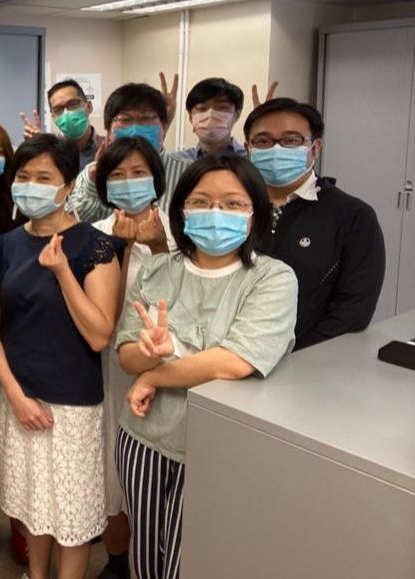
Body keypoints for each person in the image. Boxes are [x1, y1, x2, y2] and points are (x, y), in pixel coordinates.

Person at [115, 154, 298, 579]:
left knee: (192, 561)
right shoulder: (157, 269)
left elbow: (235, 360)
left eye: (233, 203)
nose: (216, 213)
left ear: (254, 214)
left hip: (218, 447)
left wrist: (155, 374)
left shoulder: (272, 279)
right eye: (201, 202)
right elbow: (126, 355)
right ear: (181, 210)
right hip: (143, 437)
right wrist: (148, 354)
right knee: (145, 555)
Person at [0, 133, 120, 579]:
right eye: (23, 177)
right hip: (18, 398)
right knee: (32, 505)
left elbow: (99, 335)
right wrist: (15, 395)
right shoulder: (4, 245)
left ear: (67, 186)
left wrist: (62, 273)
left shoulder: (94, 245)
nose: (31, 186)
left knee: (72, 516)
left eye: (44, 178)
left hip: (72, 406)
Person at [90, 136, 176, 579]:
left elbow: (184, 303)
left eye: (139, 173)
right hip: (111, 370)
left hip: (168, 370)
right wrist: (121, 249)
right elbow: (107, 316)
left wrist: (159, 248)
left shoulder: (180, 231)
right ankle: (117, 562)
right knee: (113, 470)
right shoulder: (95, 234)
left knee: (158, 472)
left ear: (156, 179)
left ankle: (161, 557)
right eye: (118, 175)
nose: (129, 182)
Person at [243, 98, 386, 349]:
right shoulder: (232, 207)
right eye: (263, 141)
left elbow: (353, 311)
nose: (276, 150)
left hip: (304, 360)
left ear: (315, 147)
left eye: (291, 141)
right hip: (226, 357)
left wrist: (293, 356)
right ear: (248, 149)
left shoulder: (353, 216)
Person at [65, 83, 193, 224]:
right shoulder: (92, 174)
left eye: (146, 118)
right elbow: (70, 220)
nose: (135, 128)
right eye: (125, 120)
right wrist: (94, 181)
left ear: (164, 127)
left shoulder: (188, 172)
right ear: (108, 133)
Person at [23, 79, 106, 171]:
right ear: (53, 117)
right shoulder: (51, 151)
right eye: (58, 109)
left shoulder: (108, 148)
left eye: (73, 104)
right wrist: (36, 148)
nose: (66, 114)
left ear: (89, 107)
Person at [173, 78, 247, 162]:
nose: (211, 114)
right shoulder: (176, 161)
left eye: (221, 107)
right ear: (190, 117)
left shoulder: (251, 159)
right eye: (202, 108)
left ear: (237, 115)